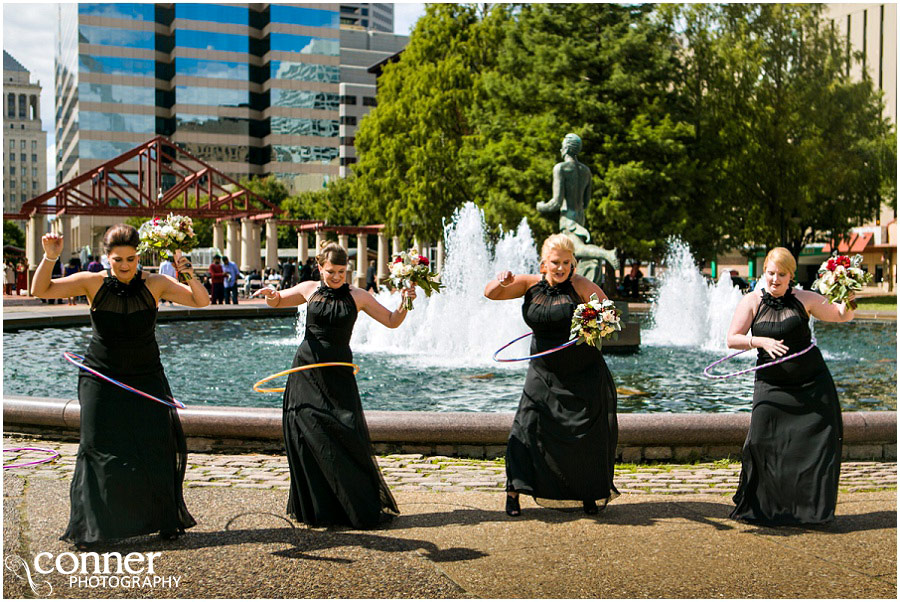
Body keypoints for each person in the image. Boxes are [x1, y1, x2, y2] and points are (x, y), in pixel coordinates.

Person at [31, 224, 209, 548]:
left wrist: (188, 272)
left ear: (138, 256)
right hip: (101, 375)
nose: (124, 266)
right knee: (96, 446)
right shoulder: (91, 281)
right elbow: (41, 289)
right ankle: (93, 527)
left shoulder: (155, 283)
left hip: (145, 376)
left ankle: (164, 519)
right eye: (117, 260)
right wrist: (49, 257)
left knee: (155, 446)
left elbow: (201, 301)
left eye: (130, 259)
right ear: (106, 257)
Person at [258, 241, 415, 529]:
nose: (336, 276)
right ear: (320, 267)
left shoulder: (359, 296)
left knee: (346, 433)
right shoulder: (309, 289)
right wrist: (271, 295)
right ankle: (320, 509)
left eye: (341, 271)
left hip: (339, 373)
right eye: (331, 271)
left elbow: (392, 321)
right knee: (307, 432)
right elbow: (279, 299)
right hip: (306, 371)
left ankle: (355, 505)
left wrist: (406, 301)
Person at [484, 233, 618, 517]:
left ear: (573, 264)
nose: (560, 268)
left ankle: (588, 494)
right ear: (544, 263)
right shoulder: (530, 284)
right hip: (543, 370)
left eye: (566, 263)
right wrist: (501, 280)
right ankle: (513, 493)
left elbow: (610, 314)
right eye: (555, 262)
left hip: (581, 371)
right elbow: (490, 293)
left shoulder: (579, 285)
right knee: (525, 426)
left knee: (582, 435)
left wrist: (592, 322)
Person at [726, 247, 855, 526]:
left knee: (818, 442)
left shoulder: (805, 298)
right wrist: (759, 341)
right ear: (764, 273)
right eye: (771, 273)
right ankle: (762, 508)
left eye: (781, 275)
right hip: (771, 383)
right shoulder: (751, 302)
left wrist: (848, 297)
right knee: (760, 441)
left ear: (790, 276)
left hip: (811, 382)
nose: (775, 279)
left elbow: (840, 315)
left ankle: (808, 510)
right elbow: (732, 338)